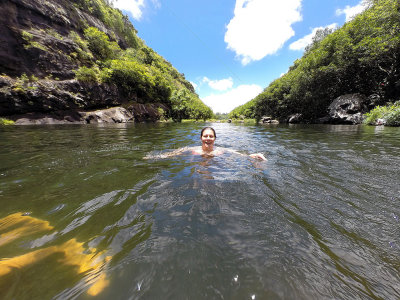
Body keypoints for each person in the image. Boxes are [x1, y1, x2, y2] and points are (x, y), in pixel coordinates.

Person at [144, 127, 267, 160]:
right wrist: (154, 157)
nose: (208, 138)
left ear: (215, 138)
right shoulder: (192, 149)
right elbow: (171, 154)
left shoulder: (221, 150)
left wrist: (254, 155)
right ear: (201, 138)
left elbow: (239, 154)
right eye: (205, 136)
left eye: (211, 136)